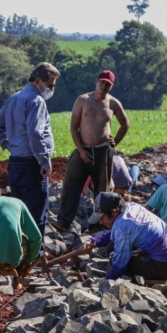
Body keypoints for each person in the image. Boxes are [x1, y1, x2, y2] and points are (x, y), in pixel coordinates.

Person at [53, 70, 130, 231]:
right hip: (83, 150)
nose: (104, 86)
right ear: (96, 81)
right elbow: (74, 127)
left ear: (111, 86)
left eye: (108, 84)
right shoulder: (83, 100)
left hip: (103, 152)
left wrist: (115, 141)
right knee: (71, 183)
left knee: (102, 190)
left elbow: (125, 124)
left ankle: (98, 226)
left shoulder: (113, 103)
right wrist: (81, 151)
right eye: (102, 82)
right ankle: (63, 221)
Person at [0, 62, 60, 236]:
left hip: (15, 162)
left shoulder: (14, 98)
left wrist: (9, 144)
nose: (52, 89)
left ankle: (18, 253)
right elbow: (35, 133)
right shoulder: (36, 101)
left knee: (18, 211)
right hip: (32, 164)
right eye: (50, 85)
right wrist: (44, 161)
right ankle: (35, 256)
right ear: (38, 81)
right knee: (36, 214)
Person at [83, 192, 167, 281]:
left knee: (113, 253)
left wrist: (106, 283)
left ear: (113, 212)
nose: (101, 222)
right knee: (115, 246)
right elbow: (116, 234)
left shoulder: (123, 227)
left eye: (102, 218)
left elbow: (120, 264)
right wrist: (94, 241)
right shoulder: (131, 206)